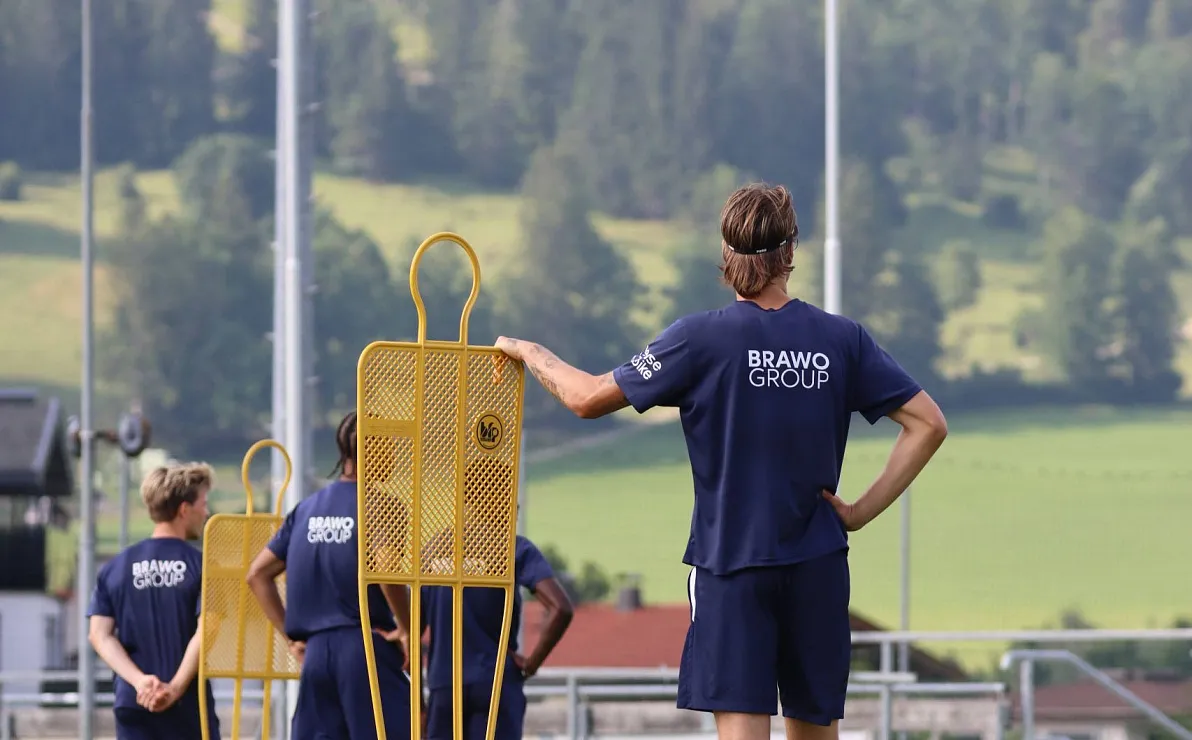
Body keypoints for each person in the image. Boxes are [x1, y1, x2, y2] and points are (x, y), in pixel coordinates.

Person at [493, 183, 948, 740]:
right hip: (818, 568)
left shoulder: (697, 338)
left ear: (726, 254)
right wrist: (857, 512)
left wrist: (529, 352)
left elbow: (586, 397)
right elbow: (928, 424)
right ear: (791, 250)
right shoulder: (841, 339)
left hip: (731, 568)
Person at [246, 411, 414, 740]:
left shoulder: (306, 509)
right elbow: (386, 567)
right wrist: (407, 628)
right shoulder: (382, 505)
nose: (394, 456)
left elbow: (257, 575)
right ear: (374, 448)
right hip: (364, 648)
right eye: (390, 446)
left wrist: (291, 639)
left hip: (316, 657)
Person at [420, 470, 574, 740]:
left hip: (444, 684)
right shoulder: (513, 548)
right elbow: (560, 608)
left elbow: (413, 622)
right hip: (496, 682)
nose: (516, 508)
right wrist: (531, 664)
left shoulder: (434, 550)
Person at [87, 462, 220, 740]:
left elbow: (99, 635)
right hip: (188, 707)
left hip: (135, 701)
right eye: (203, 504)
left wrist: (140, 682)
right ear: (184, 510)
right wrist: (174, 688)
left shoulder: (115, 568)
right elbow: (207, 629)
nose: (206, 513)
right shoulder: (205, 566)